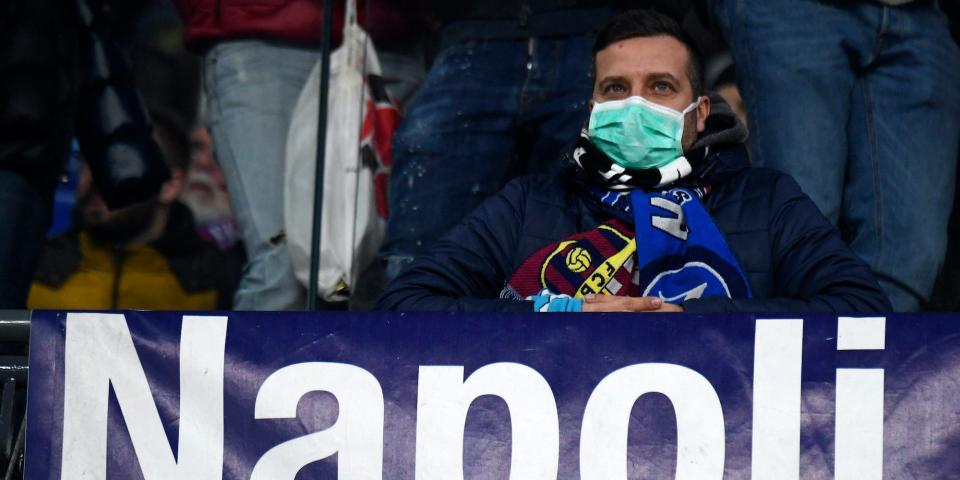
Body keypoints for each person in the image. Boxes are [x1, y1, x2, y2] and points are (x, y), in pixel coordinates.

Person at [378, 9, 891, 313]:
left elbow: (861, 309)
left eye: (661, 87)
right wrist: (560, 311)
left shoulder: (766, 199)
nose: (635, 105)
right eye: (616, 89)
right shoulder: (529, 202)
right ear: (592, 107)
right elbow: (405, 306)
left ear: (700, 110)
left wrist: (686, 322)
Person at [712, 0, 960, 311]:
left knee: (910, 253)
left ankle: (870, 358)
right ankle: (795, 357)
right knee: (799, 231)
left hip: (921, 14)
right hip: (791, 9)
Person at [27, 111, 238, 310]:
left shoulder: (215, 281)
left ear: (170, 185)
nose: (96, 175)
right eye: (89, 158)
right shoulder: (34, 266)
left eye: (122, 160)